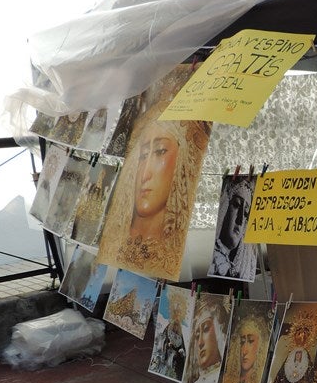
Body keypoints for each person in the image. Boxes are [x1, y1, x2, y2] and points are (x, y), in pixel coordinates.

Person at [97, 99, 211, 280]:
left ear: (183, 159)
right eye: (142, 156)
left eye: (159, 151)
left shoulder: (173, 249)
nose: (144, 174)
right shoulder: (116, 242)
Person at [209, 175, 258, 281]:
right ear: (225, 207)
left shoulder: (232, 267)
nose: (240, 220)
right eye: (236, 205)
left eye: (245, 213)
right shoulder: (213, 260)